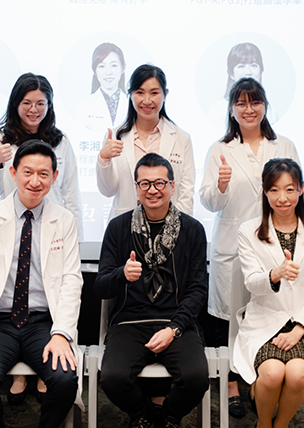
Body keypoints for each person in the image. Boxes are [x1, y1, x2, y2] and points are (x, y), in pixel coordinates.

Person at [0, 140, 83, 428]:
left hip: (43, 323)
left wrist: (61, 333)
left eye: (43, 174)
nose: (35, 181)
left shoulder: (64, 220)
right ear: (13, 173)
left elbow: (72, 281)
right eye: (27, 172)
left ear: (54, 177)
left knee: (64, 380)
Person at [198, 77, 300, 417]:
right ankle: (230, 384)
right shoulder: (220, 148)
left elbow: (296, 196)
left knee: (266, 314)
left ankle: (259, 381)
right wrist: (221, 186)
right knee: (227, 319)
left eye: (254, 102)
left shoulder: (284, 146)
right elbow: (209, 201)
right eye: (241, 103)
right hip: (231, 246)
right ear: (231, 110)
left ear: (265, 106)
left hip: (274, 247)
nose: (248, 109)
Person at [94, 153, 209, 428]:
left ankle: (168, 416)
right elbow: (100, 286)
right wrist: (121, 274)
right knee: (112, 378)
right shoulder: (118, 228)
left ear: (172, 186)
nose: (152, 190)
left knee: (196, 378)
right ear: (136, 188)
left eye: (159, 183)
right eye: (144, 184)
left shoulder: (193, 230)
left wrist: (174, 329)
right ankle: (146, 415)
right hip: (130, 322)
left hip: (177, 323)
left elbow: (197, 290)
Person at [233, 158, 304, 428]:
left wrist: (299, 329)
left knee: (297, 375)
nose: (282, 198)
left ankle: (279, 425)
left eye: (289, 189)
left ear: (301, 189)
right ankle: (263, 424)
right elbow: (252, 283)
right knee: (271, 374)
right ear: (265, 192)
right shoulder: (249, 232)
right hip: (265, 322)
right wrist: (275, 274)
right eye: (274, 190)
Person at [0, 72, 83, 241]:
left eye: (40, 103)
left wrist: (76, 238)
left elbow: (71, 193)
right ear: (15, 104)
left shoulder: (61, 141)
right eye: (27, 103)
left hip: (53, 226)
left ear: (49, 105)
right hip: (12, 226)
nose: (34, 109)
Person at [97, 64, 195, 222]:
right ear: (130, 94)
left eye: (154, 93)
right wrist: (104, 158)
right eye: (140, 92)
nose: (147, 100)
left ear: (165, 94)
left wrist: (179, 229)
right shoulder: (114, 136)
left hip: (168, 226)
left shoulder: (181, 138)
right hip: (125, 225)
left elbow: (186, 192)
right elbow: (108, 190)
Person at [207, 42, 278, 127]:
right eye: (241, 66)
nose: (248, 72)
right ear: (231, 73)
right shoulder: (218, 109)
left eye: (253, 65)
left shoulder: (271, 111)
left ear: (261, 70)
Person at [78, 42, 129, 133]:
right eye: (102, 66)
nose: (108, 72)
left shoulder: (132, 103)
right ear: (95, 70)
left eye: (114, 65)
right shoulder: (84, 105)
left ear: (123, 68)